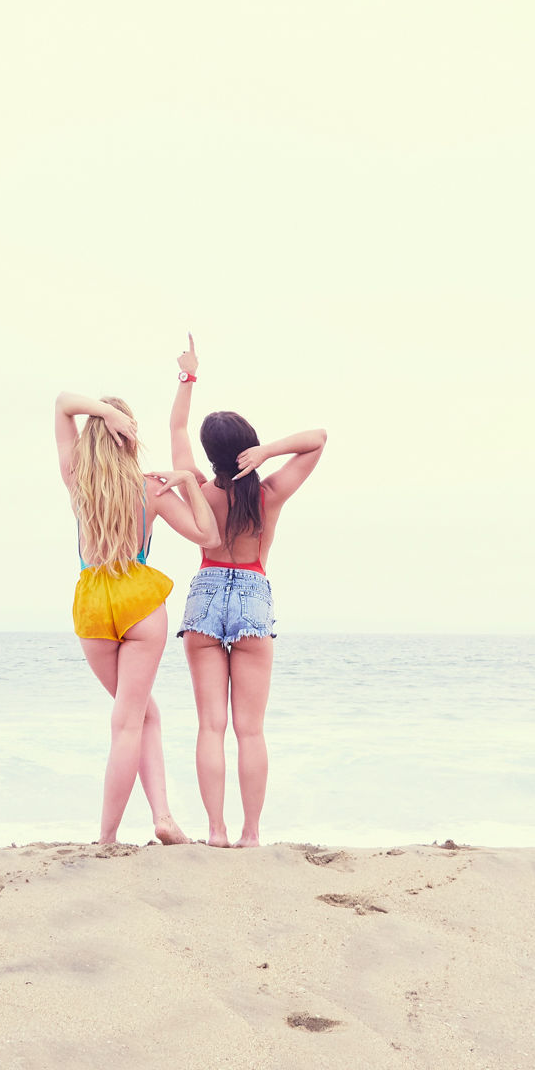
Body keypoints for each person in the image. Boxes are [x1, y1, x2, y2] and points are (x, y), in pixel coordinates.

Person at [168, 337, 327, 847]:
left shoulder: (196, 487)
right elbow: (318, 439)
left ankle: (215, 832)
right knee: (250, 730)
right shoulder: (269, 494)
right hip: (254, 593)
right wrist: (269, 451)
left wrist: (188, 376)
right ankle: (251, 834)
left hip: (205, 592)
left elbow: (176, 429)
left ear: (210, 454)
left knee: (210, 727)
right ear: (248, 445)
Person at [55, 390, 222, 846]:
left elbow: (63, 403)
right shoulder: (151, 489)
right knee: (132, 719)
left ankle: (155, 818)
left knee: (139, 714)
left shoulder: (77, 480)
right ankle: (113, 836)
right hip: (139, 600)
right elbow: (208, 535)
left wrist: (103, 413)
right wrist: (188, 482)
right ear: (128, 436)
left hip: (93, 602)